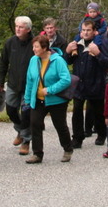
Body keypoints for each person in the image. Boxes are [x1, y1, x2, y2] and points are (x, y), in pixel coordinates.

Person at [23, 35, 74, 164]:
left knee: (60, 125)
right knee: (35, 124)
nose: (33, 49)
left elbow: (66, 79)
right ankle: (37, 154)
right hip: (38, 99)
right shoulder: (33, 60)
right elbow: (29, 80)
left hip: (56, 100)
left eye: (36, 47)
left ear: (45, 48)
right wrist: (27, 99)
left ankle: (68, 149)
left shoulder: (57, 61)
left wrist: (50, 89)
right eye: (33, 46)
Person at [65, 18, 108, 149]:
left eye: (88, 30)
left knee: (98, 111)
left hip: (95, 83)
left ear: (94, 31)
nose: (85, 33)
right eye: (83, 30)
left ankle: (102, 134)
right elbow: (66, 62)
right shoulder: (76, 44)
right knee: (77, 111)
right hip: (79, 84)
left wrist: (98, 54)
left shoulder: (101, 43)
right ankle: (77, 138)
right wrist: (67, 52)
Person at [0, 16, 35, 156]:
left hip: (28, 86)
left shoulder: (34, 43)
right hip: (13, 83)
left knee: (26, 114)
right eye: (16, 26)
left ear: (28, 29)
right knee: (11, 111)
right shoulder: (10, 43)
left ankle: (26, 141)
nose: (17, 29)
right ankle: (20, 131)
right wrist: (0, 82)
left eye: (21, 27)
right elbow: (3, 63)